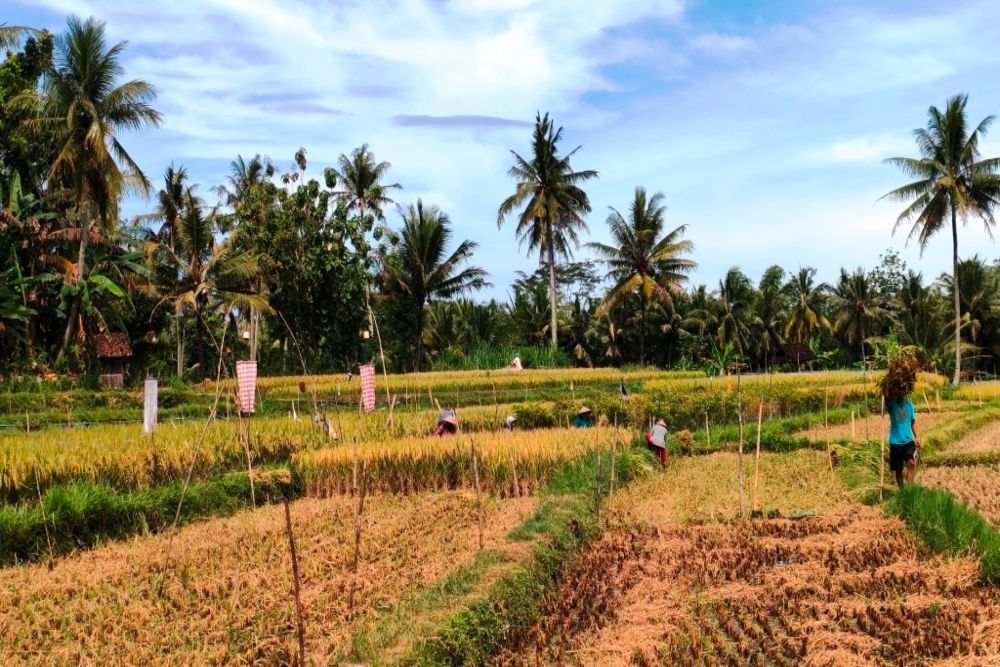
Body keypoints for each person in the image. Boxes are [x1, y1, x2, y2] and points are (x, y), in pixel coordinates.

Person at [886, 390, 919, 488]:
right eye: (898, 391)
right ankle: (902, 490)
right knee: (898, 469)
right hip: (895, 442)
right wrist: (889, 385)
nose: (900, 393)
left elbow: (913, 422)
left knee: (911, 463)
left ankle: (910, 489)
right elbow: (886, 395)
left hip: (908, 440)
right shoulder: (891, 405)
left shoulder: (909, 405)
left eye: (902, 391)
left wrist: (917, 436)